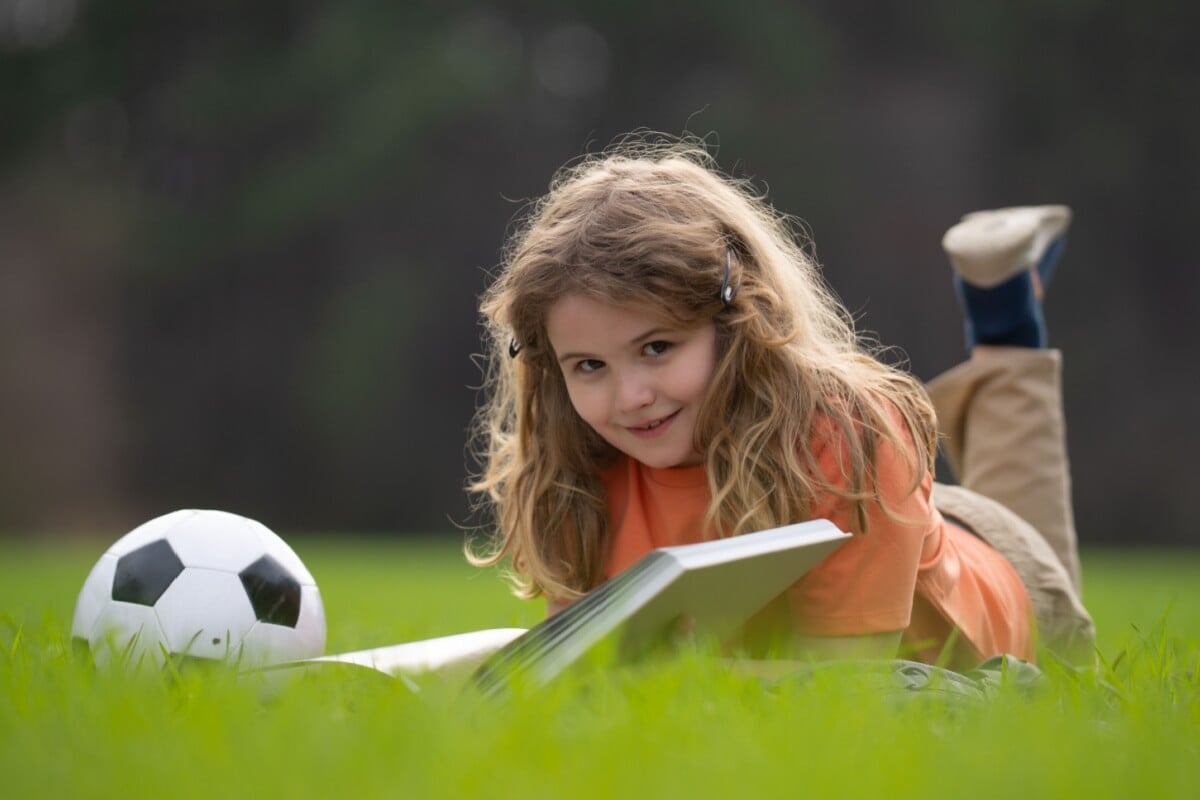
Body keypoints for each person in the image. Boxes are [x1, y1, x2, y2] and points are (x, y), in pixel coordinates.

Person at [468, 139, 1094, 670]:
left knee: (1024, 492)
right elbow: (581, 671)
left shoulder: (854, 431)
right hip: (882, 521)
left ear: (737, 319)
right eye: (590, 366)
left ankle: (1005, 308)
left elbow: (840, 689)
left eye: (657, 347)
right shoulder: (571, 468)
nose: (630, 397)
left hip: (999, 593)